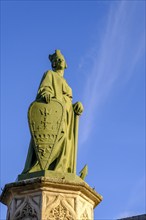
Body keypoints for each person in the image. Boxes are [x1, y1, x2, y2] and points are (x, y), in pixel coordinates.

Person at [22, 50, 83, 174]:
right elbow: (44, 88)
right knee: (56, 138)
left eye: (61, 59)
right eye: (56, 60)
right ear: (53, 64)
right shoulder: (50, 74)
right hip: (54, 115)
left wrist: (75, 106)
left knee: (66, 142)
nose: (59, 61)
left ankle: (62, 168)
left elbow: (68, 101)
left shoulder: (66, 83)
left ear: (66, 64)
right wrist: (46, 93)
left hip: (67, 115)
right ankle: (43, 165)